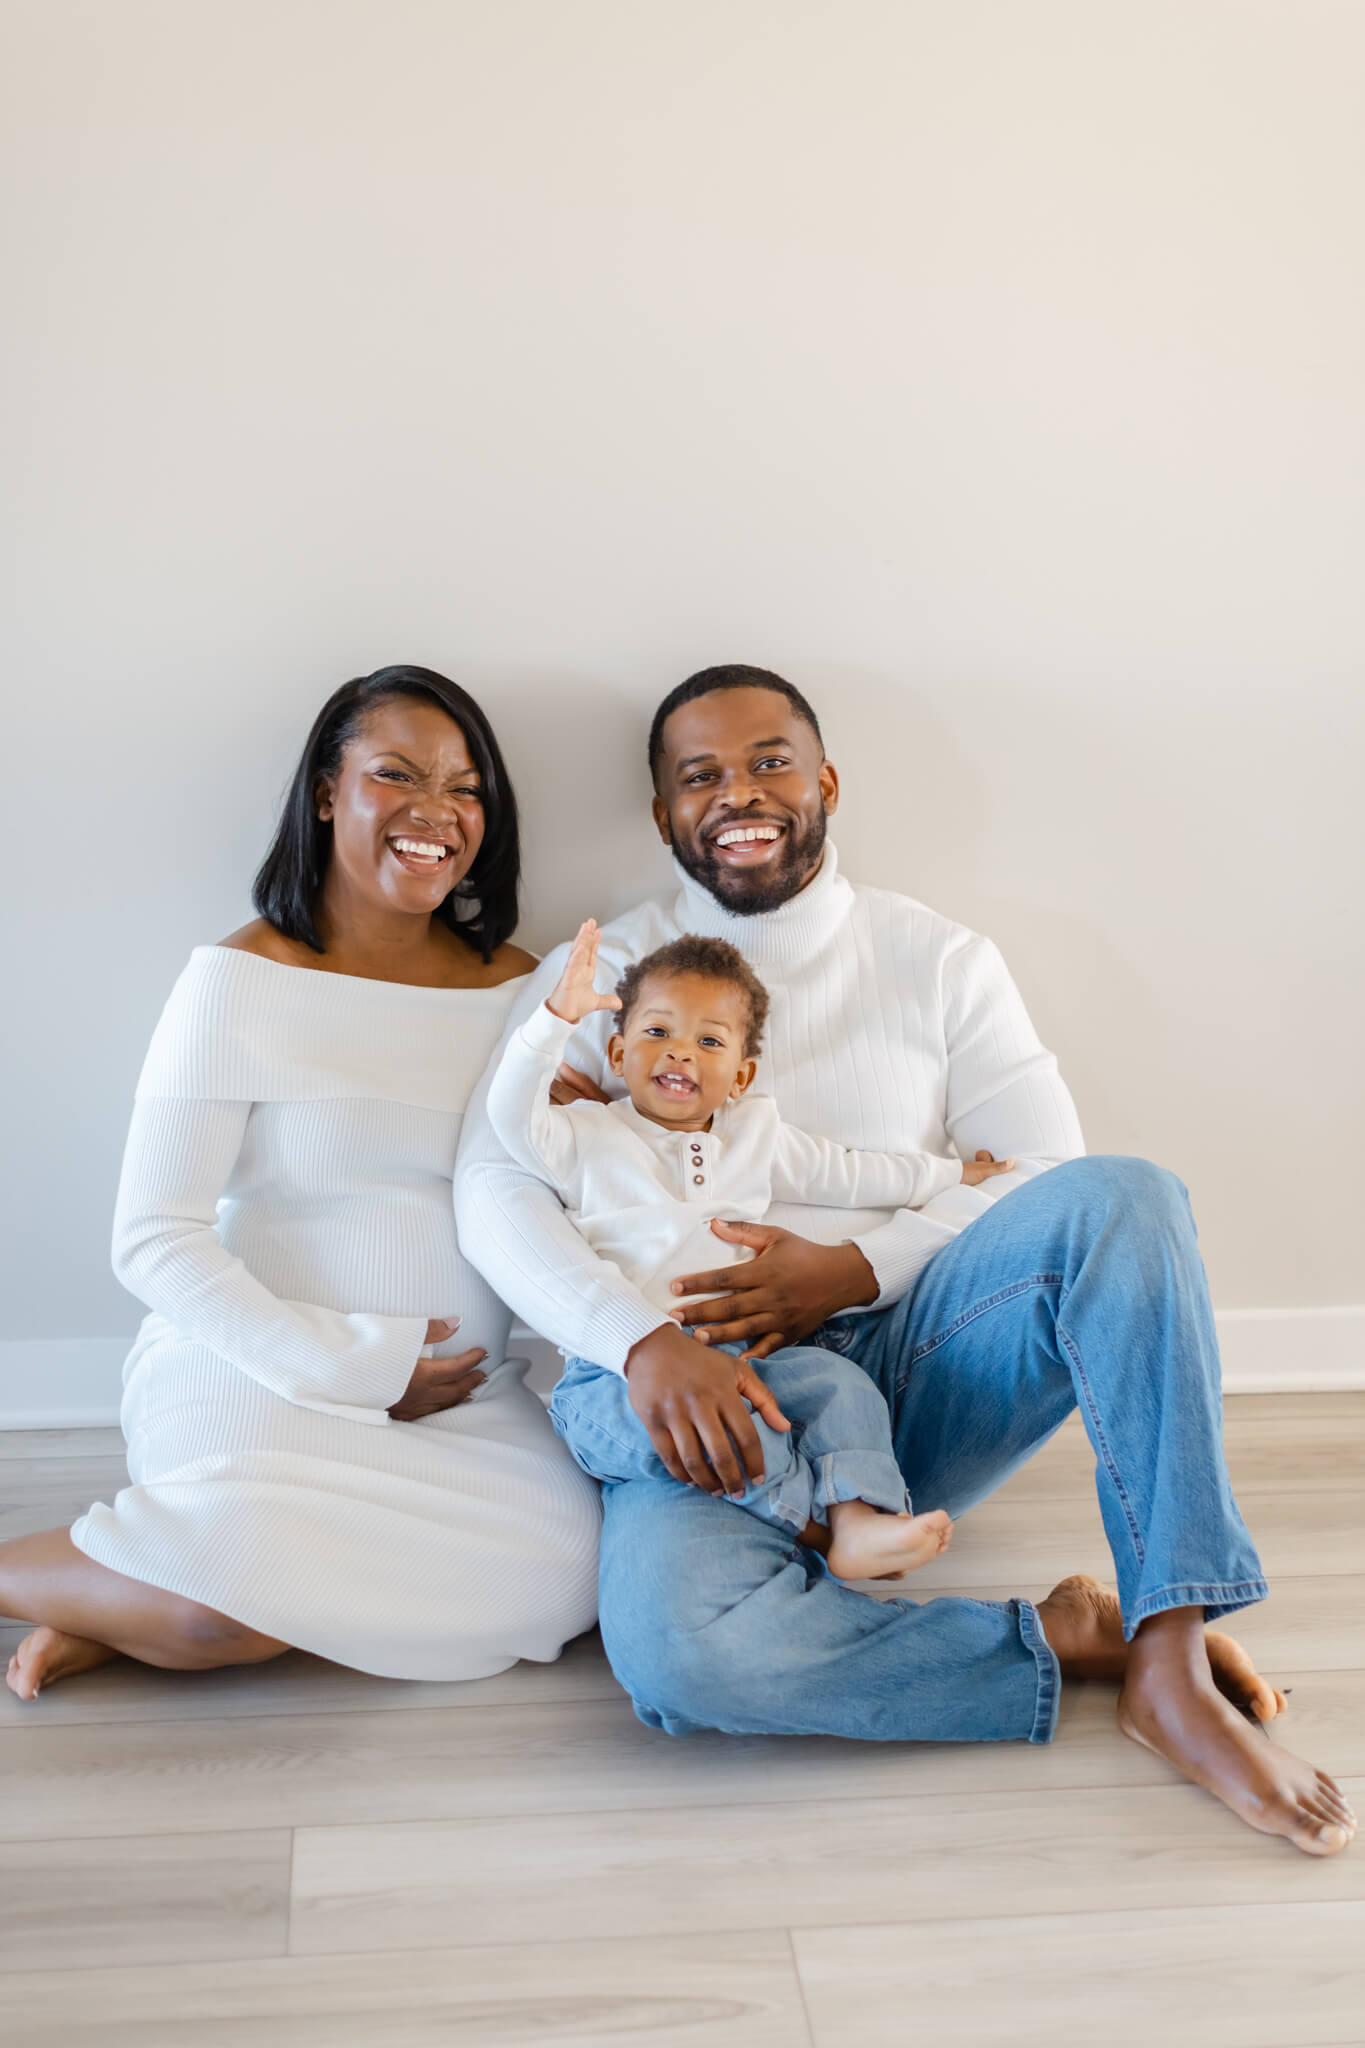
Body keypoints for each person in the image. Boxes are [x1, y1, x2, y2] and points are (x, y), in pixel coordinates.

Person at [458, 662, 1356, 1858]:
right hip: (688, 1398)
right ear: (665, 809)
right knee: (684, 1657)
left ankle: (1171, 1651)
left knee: (1131, 1198)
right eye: (700, 774)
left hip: (899, 1369)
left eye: (770, 759)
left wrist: (853, 1267)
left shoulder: (940, 959)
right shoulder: (604, 978)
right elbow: (495, 1183)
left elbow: (1040, 1171)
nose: (740, 792)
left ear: (825, 780)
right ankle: (1053, 1638)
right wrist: (638, 1342)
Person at [4, 664, 600, 1701]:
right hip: (259, 1371)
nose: (436, 812)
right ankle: (149, 1600)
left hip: (462, 1404)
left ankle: (128, 1608)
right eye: (397, 775)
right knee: (209, 1602)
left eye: (464, 787)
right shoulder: (239, 979)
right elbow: (154, 1237)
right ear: (328, 791)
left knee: (577, 1570)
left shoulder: (524, 987)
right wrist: (358, 1369)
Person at [490, 921, 1012, 1576]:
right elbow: (507, 1116)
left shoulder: (756, 1133)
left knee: (836, 1383)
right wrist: (553, 1022)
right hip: (616, 1375)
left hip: (752, 1362)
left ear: (739, 1075)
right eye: (656, 1032)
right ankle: (813, 1525)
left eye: (706, 1042)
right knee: (657, 1427)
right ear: (617, 1054)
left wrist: (953, 1173)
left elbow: (853, 1172)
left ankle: (858, 1518)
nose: (679, 1053)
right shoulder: (582, 1135)